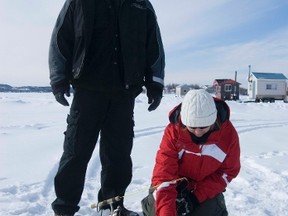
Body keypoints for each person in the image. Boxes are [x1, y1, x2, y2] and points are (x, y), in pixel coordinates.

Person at [48, 0, 165, 215]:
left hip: (123, 94)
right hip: (87, 91)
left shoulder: (141, 5)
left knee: (118, 156)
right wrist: (58, 78)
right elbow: (60, 37)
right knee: (75, 153)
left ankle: (111, 206)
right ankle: (64, 208)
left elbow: (154, 46)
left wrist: (155, 83)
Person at [142, 89, 240, 216]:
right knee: (157, 210)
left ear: (213, 119)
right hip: (173, 184)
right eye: (192, 127)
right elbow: (164, 174)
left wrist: (195, 197)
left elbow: (228, 172)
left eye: (203, 127)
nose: (198, 132)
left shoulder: (228, 135)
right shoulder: (173, 132)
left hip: (205, 187)